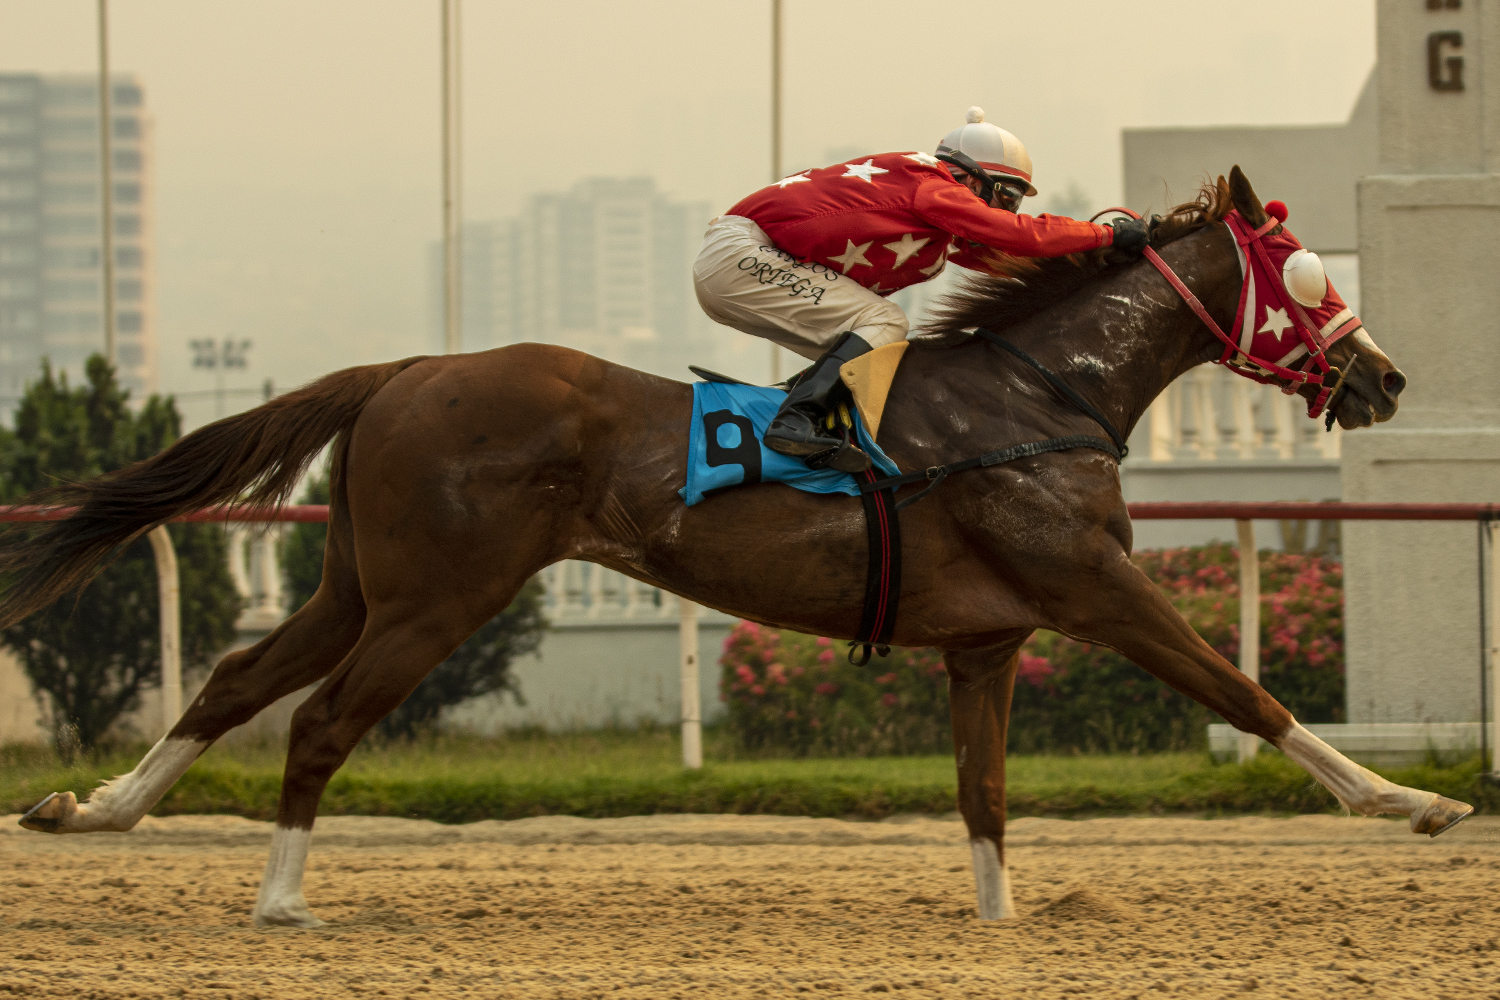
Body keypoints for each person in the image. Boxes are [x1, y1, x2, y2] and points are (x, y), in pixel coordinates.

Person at [693, 106, 1151, 472]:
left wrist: (1093, 264)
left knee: (876, 351)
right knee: (884, 321)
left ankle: (807, 411)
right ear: (970, 176)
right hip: (741, 255)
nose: (1006, 209)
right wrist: (1105, 235)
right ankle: (796, 419)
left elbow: (1005, 259)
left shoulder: (933, 214)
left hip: (740, 262)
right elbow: (1018, 235)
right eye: (1007, 196)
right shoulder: (934, 185)